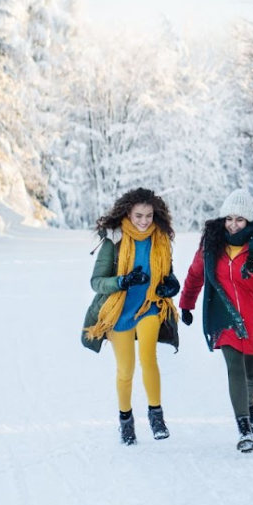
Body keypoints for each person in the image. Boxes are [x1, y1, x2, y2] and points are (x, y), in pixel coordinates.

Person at [178, 188, 253, 453]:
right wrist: (186, 303)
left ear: (249, 221)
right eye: (229, 218)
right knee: (234, 367)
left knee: (251, 373)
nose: (233, 224)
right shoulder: (211, 243)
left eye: (239, 219)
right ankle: (244, 427)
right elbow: (195, 274)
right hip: (223, 314)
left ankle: (250, 409)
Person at [82, 187, 182, 445]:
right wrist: (122, 281)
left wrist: (171, 285)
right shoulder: (113, 241)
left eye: (148, 215)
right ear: (128, 213)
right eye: (138, 215)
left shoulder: (159, 239)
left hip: (149, 306)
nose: (143, 221)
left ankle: (156, 415)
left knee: (149, 359)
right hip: (119, 312)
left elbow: (168, 274)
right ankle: (126, 421)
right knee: (125, 370)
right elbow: (96, 282)